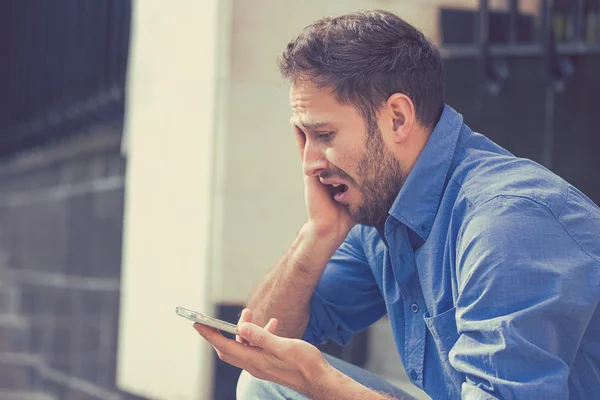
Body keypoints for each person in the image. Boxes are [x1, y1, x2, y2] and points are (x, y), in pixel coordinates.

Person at [193, 9, 600, 400]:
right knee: (266, 383)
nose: (309, 163)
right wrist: (316, 232)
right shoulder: (383, 215)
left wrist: (323, 384)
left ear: (398, 119)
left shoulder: (508, 223)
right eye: (304, 137)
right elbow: (265, 338)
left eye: (325, 135)